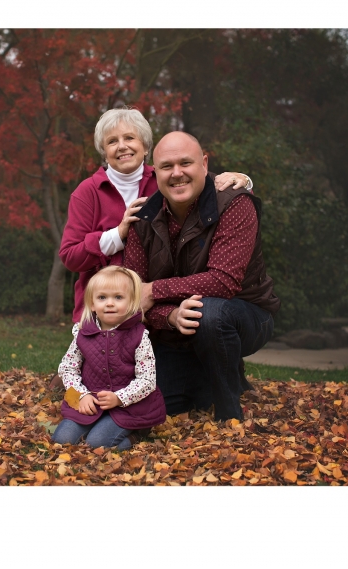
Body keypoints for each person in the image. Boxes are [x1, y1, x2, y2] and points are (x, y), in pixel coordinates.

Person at [123, 131, 281, 421]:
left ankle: (229, 416)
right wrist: (169, 316)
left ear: (204, 164)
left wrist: (155, 291)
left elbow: (223, 281)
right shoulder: (142, 217)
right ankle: (220, 371)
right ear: (155, 171)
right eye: (167, 166)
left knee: (210, 313)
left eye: (186, 163)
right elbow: (133, 297)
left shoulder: (233, 203)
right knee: (165, 407)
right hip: (176, 329)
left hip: (244, 314)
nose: (177, 173)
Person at [59, 107, 253, 324]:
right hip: (104, 306)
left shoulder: (165, 177)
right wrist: (117, 235)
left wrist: (243, 180)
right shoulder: (87, 192)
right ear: (104, 151)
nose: (122, 146)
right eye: (112, 141)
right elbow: (70, 256)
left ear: (145, 146)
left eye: (130, 138)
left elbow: (206, 185)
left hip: (156, 305)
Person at [51, 266, 166, 450]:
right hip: (91, 401)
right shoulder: (83, 333)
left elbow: (147, 379)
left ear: (131, 302)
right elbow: (67, 368)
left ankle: (138, 433)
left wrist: (120, 398)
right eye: (102, 297)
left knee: (98, 445)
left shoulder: (139, 336)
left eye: (118, 297)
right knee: (61, 439)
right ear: (92, 304)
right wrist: (81, 395)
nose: (109, 303)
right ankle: (97, 425)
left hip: (128, 406)